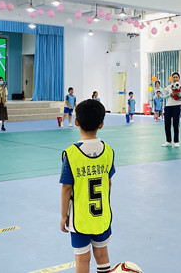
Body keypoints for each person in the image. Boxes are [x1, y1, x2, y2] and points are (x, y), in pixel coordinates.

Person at [60, 99, 115, 273]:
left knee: (82, 260)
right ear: (101, 124)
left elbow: (66, 188)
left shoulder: (72, 154)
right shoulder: (108, 151)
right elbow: (108, 182)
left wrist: (63, 215)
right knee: (102, 255)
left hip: (80, 218)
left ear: (76, 122)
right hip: (101, 215)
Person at [162, 72, 181, 148]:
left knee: (176, 124)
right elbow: (163, 97)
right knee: (167, 124)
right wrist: (170, 95)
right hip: (168, 106)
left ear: (179, 78)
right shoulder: (168, 87)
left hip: (177, 106)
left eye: (176, 77)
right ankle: (168, 141)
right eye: (174, 77)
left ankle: (176, 141)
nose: (175, 78)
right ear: (171, 78)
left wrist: (178, 94)